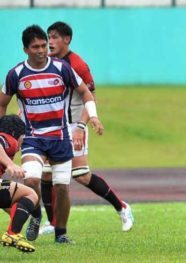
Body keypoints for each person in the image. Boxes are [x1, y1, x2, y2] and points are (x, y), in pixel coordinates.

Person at [0, 25, 104, 244]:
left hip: (60, 137)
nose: (41, 50)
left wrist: (92, 116)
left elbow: (85, 92)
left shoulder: (61, 68)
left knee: (62, 187)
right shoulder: (16, 74)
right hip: (33, 138)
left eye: (44, 45)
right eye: (35, 46)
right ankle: (36, 215)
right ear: (25, 49)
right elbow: (2, 103)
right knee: (32, 179)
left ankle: (61, 233)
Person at [37, 21, 134, 235]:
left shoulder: (78, 64)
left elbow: (91, 96)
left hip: (74, 125)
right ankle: (53, 223)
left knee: (81, 175)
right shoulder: (46, 62)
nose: (49, 41)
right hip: (52, 126)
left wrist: (81, 126)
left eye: (54, 37)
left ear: (67, 39)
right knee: (45, 174)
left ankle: (122, 207)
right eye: (48, 37)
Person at [0, 115, 38, 253]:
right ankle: (12, 234)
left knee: (13, 205)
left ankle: (13, 233)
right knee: (30, 193)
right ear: (16, 134)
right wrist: (10, 164)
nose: (23, 142)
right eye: (24, 136)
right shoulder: (8, 139)